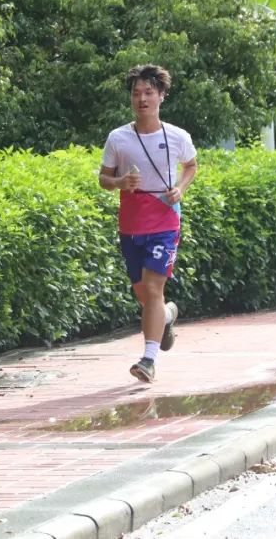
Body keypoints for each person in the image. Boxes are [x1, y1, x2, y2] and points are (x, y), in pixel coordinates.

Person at [99, 65, 198, 383]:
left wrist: (180, 189)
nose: (142, 99)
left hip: (165, 218)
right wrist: (119, 182)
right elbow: (104, 178)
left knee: (154, 287)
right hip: (131, 222)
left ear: (162, 96)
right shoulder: (118, 137)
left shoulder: (177, 136)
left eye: (149, 93)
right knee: (145, 296)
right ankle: (168, 315)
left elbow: (191, 166)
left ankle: (148, 360)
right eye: (136, 93)